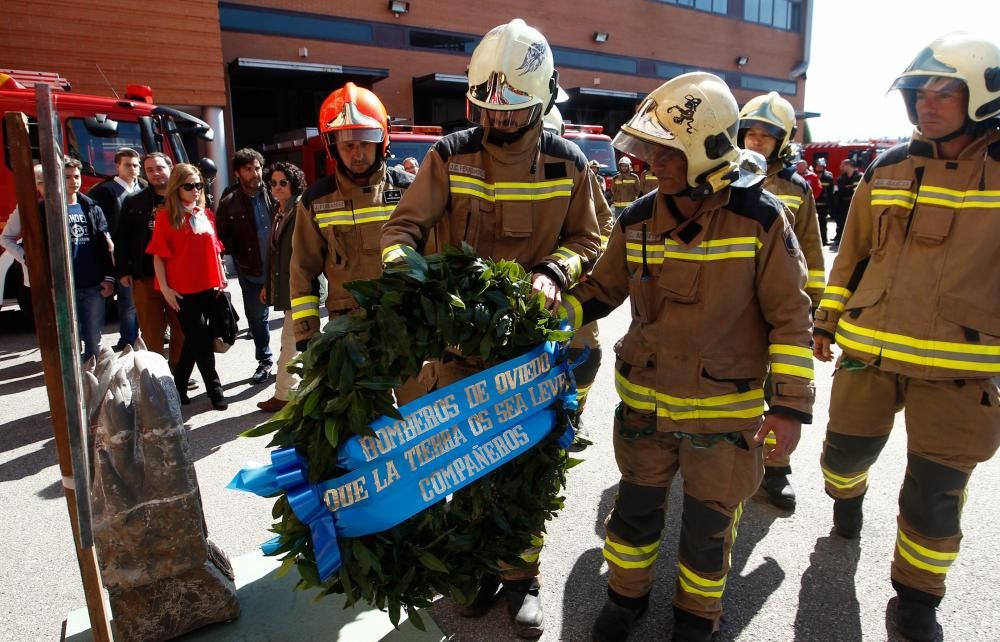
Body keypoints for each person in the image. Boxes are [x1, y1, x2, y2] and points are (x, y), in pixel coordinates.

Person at [560, 72, 813, 642]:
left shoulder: (762, 219)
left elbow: (791, 318)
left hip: (723, 417)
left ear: (706, 151)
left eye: (664, 148)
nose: (649, 160)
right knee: (632, 518)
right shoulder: (638, 218)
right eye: (647, 146)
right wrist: (553, 318)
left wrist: (791, 408)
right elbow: (603, 289)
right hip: (646, 410)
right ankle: (625, 601)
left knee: (708, 530)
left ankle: (696, 618)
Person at [381, 19, 600, 639]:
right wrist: (408, 270)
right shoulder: (448, 155)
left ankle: (522, 575)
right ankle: (475, 567)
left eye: (513, 110)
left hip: (534, 348)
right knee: (465, 458)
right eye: (487, 108)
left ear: (544, 100)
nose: (498, 120)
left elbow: (593, 237)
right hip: (461, 345)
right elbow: (401, 230)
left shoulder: (569, 163)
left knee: (528, 463)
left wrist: (557, 272)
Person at [814, 32, 1000, 642]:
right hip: (870, 352)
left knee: (936, 495)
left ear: (984, 96)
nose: (927, 103)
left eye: (945, 91)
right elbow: (854, 255)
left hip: (961, 370)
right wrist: (826, 318)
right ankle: (849, 499)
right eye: (920, 91)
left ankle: (917, 598)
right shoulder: (888, 167)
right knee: (842, 458)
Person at [738, 91, 825, 510]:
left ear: (782, 142)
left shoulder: (796, 189)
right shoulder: (718, 177)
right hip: (732, 306)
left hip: (778, 307)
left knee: (781, 386)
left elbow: (811, 251)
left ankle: (777, 469)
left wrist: (816, 314)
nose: (756, 143)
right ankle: (723, 454)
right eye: (750, 134)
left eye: (765, 137)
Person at [289, 82, 413, 351]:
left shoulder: (409, 190)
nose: (357, 154)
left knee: (419, 395)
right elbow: (302, 270)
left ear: (382, 140)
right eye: (348, 146)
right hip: (349, 333)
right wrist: (306, 334)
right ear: (332, 147)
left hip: (407, 325)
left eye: (365, 144)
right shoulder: (315, 202)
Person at [544, 107, 614, 452]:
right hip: (524, 286)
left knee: (586, 356)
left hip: (571, 281)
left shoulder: (576, 168)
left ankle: (574, 412)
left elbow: (603, 224)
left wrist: (582, 260)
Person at [146, 163, 229, 410]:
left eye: (199, 185)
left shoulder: (205, 214)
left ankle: (178, 385)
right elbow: (158, 257)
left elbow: (216, 252)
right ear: (177, 187)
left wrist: (222, 281)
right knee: (200, 340)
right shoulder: (164, 217)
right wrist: (166, 289)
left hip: (210, 287)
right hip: (182, 290)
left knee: (196, 340)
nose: (195, 190)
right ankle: (215, 390)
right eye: (189, 186)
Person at [117, 153, 189, 378]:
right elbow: (123, 238)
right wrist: (123, 270)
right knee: (152, 332)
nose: (155, 173)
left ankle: (178, 373)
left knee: (182, 329)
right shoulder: (133, 201)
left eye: (159, 168)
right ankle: (158, 379)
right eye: (149, 170)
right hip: (145, 276)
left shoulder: (184, 198)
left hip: (179, 277)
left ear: (170, 168)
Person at [216, 147, 274, 384]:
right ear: (238, 173)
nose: (255, 173)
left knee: (296, 313)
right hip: (252, 269)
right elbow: (223, 237)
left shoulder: (276, 191)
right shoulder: (229, 202)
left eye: (257, 168)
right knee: (257, 318)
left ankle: (299, 359)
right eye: (248, 169)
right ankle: (265, 360)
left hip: (282, 267)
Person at [257, 161, 307, 412]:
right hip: (287, 286)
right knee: (295, 342)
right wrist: (269, 285)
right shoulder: (281, 210)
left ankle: (284, 395)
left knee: (290, 342)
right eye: (273, 183)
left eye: (282, 183)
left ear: (293, 184)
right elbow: (275, 254)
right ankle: (292, 392)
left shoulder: (300, 209)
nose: (276, 187)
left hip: (301, 287)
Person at [89, 147, 144, 350]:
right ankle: (128, 339)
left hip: (142, 254)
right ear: (117, 166)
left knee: (143, 300)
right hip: (118, 254)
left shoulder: (144, 188)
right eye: (127, 165)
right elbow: (100, 225)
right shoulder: (105, 191)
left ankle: (143, 336)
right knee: (127, 302)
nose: (132, 169)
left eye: (136, 165)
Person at [63, 158, 116, 361]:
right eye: (67, 177)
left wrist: (109, 278)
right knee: (70, 339)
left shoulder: (92, 207)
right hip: (65, 287)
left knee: (94, 338)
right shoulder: (46, 210)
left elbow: (106, 246)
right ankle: (74, 384)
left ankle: (94, 381)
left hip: (93, 284)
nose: (73, 181)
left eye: (76, 176)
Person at [1, 163, 45, 290]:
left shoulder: (69, 205)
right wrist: (27, 258)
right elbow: (5, 238)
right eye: (42, 182)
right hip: (40, 279)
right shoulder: (26, 207)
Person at [830, 157, 861, 248]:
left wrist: (847, 189)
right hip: (842, 204)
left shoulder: (859, 176)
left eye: (842, 165)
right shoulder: (841, 178)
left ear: (848, 165)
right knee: (841, 222)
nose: (840, 167)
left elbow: (856, 191)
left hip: (853, 204)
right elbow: (839, 192)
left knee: (854, 223)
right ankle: (840, 239)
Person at [814, 157, 835, 245]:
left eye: (821, 166)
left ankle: (824, 240)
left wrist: (830, 203)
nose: (819, 168)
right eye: (818, 166)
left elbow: (831, 191)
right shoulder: (812, 176)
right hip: (814, 204)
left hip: (823, 205)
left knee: (823, 223)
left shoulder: (828, 177)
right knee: (814, 223)